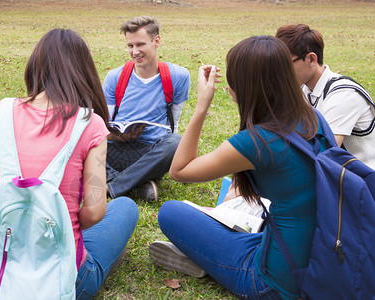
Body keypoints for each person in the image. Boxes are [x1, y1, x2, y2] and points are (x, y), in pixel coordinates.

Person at [149, 36, 327, 299]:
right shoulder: (312, 116)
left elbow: (179, 171)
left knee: (171, 212)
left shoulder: (257, 142)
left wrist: (202, 105)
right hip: (320, 260)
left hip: (274, 283)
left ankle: (204, 260)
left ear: (239, 87)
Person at [0, 28, 139, 299]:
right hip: (62, 283)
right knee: (126, 207)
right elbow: (95, 212)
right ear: (85, 71)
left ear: (34, 67)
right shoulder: (90, 124)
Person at [102, 16, 191, 201]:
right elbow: (100, 128)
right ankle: (137, 185)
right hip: (113, 151)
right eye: (130, 46)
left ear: (156, 41)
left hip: (148, 155)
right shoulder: (114, 77)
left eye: (140, 44)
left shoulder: (178, 77)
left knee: (175, 142)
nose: (135, 52)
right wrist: (117, 135)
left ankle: (112, 186)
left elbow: (173, 125)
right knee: (81, 139)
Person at [276, 24, 375, 169]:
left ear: (311, 59)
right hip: (336, 178)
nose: (281, 72)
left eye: (286, 64)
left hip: (364, 183)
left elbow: (325, 155)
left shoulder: (343, 95)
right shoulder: (304, 89)